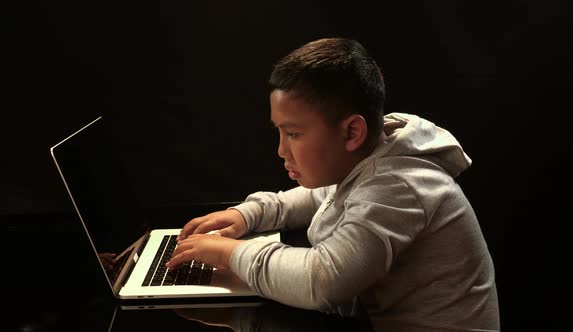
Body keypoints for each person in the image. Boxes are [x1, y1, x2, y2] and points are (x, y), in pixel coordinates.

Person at [166, 37, 500, 331]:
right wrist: (247, 215)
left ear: (352, 132)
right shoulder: (371, 160)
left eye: (294, 134)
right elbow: (318, 198)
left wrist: (231, 253)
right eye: (279, 132)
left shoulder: (398, 186)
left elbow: (323, 280)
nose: (282, 150)